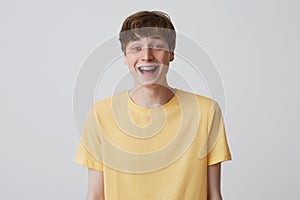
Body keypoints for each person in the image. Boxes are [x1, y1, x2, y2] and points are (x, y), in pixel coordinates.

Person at [75, 11, 232, 200]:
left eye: (157, 46)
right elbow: (95, 196)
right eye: (136, 48)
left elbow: (213, 195)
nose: (146, 56)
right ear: (125, 56)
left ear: (171, 54)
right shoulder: (100, 115)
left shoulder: (207, 112)